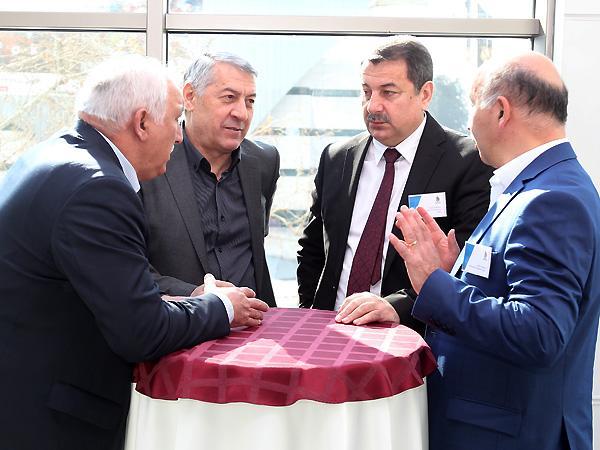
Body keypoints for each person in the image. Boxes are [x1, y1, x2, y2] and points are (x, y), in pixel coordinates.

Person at [0, 55, 268, 450]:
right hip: (53, 421)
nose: (179, 137)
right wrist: (222, 307)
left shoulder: (50, 155)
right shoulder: (99, 189)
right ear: (142, 123)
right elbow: (142, 331)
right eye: (174, 120)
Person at [390, 51, 600, 450]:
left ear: (501, 111)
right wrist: (453, 271)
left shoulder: (550, 198)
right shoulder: (541, 184)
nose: (468, 123)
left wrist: (435, 284)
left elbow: (539, 332)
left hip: (506, 435)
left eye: (473, 105)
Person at [298, 36, 492, 333]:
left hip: (410, 336)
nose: (373, 106)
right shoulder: (337, 158)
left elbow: (466, 264)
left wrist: (396, 307)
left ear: (425, 94)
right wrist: (310, 313)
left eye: (388, 93)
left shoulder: (467, 162)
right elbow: (312, 249)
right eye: (366, 92)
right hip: (330, 330)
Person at [141, 52, 279, 306]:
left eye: (249, 101)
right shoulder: (147, 163)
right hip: (180, 321)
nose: (242, 113)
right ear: (190, 97)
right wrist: (194, 294)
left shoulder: (264, 161)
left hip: (258, 321)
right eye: (229, 98)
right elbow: (129, 266)